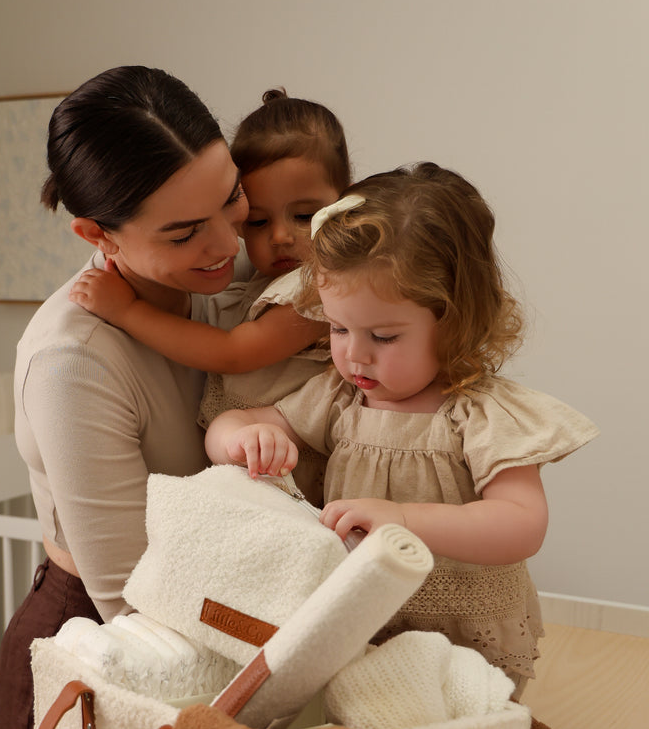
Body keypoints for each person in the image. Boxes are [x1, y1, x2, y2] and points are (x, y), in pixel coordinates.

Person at [204, 163, 599, 696]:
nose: (353, 353)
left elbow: (522, 524)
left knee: (458, 728)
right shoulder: (342, 396)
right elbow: (235, 425)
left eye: (384, 336)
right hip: (362, 625)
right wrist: (242, 437)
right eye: (339, 327)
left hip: (464, 641)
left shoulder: (478, 412)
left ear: (455, 320)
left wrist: (405, 519)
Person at [0, 65, 247, 729]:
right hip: (105, 636)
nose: (227, 243)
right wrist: (277, 653)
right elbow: (131, 602)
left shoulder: (238, 278)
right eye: (184, 233)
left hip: (216, 609)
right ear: (96, 234)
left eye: (232, 199)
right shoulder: (72, 364)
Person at [69, 88, 351, 502]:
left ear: (346, 203)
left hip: (299, 457)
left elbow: (233, 353)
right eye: (255, 221)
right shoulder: (258, 278)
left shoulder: (327, 287)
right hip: (256, 453)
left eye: (305, 216)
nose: (279, 236)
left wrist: (127, 310)